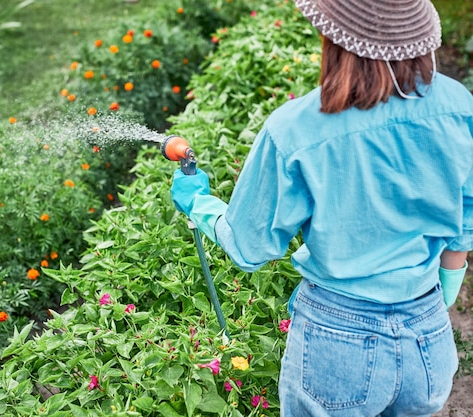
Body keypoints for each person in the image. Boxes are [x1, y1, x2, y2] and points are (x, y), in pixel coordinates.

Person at [170, 0, 473, 415]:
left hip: (338, 341)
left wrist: (198, 202)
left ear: (333, 38)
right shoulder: (459, 106)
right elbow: (465, 223)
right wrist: (444, 298)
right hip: (428, 333)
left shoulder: (296, 127)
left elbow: (250, 246)